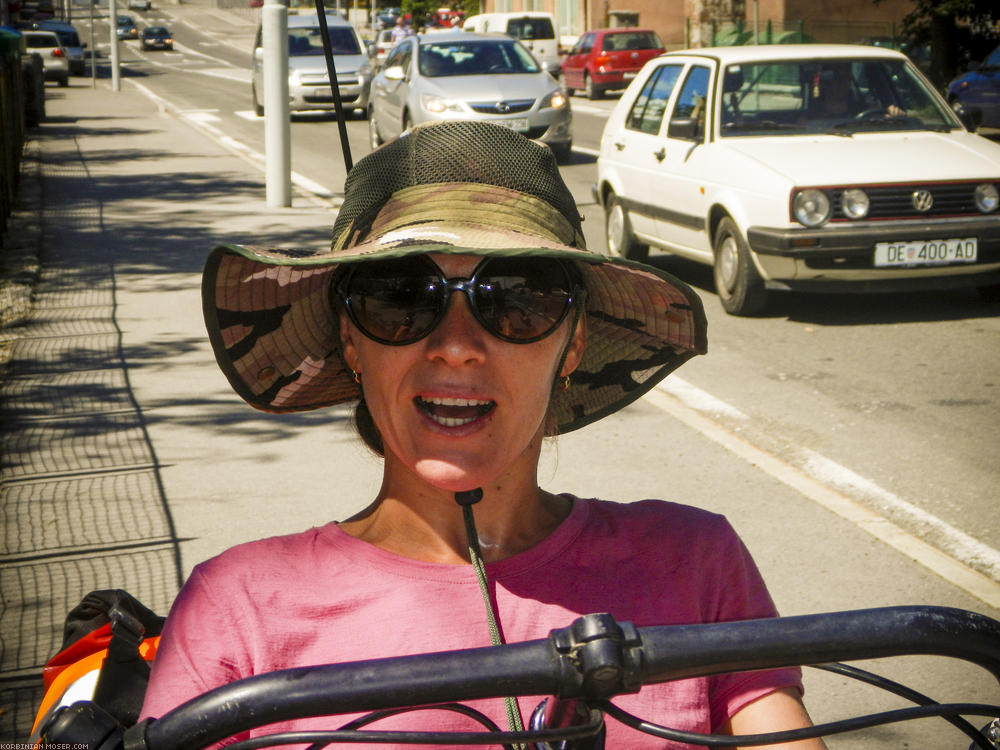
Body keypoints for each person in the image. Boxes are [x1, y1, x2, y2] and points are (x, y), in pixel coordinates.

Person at [140, 121, 826, 749]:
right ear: (352, 343)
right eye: (402, 297)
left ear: (574, 345)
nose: (457, 347)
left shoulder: (698, 564)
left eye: (519, 299)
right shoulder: (239, 609)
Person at [807, 62, 904, 120]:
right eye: (835, 77)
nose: (841, 81)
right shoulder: (810, 117)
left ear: (850, 80)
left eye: (845, 76)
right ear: (824, 82)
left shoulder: (868, 113)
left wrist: (895, 115)